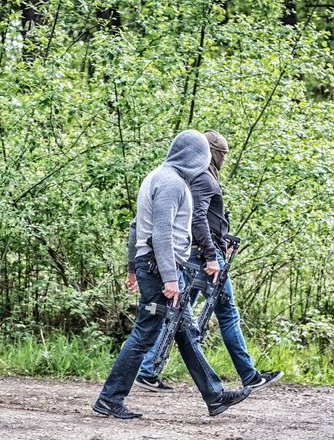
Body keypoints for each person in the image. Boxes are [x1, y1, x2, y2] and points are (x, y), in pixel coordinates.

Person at [93, 130, 252, 419]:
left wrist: (138, 268)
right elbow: (161, 233)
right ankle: (110, 398)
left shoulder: (160, 176)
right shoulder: (171, 183)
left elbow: (136, 228)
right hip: (159, 269)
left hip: (157, 266)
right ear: (195, 155)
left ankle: (214, 396)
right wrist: (169, 277)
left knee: (185, 330)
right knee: (145, 333)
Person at [134, 130, 283, 393]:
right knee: (227, 313)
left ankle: (148, 370)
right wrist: (211, 253)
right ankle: (248, 376)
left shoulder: (196, 176)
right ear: (212, 153)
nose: (224, 158)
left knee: (178, 316)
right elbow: (197, 218)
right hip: (203, 257)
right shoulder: (202, 177)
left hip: (198, 253)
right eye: (222, 154)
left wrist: (220, 237)